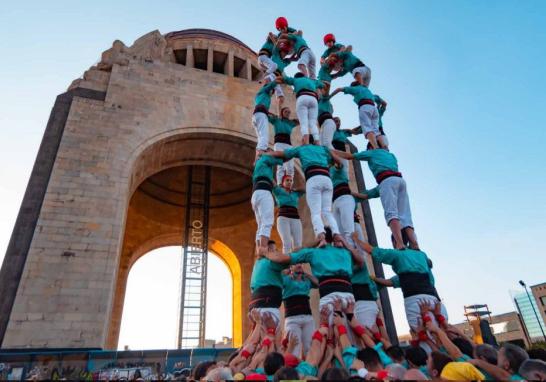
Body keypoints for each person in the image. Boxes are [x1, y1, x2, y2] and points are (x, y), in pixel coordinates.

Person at [263, 227, 363, 321]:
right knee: (351, 332)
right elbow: (361, 263)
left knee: (332, 332)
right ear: (333, 238)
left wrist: (265, 253)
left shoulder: (313, 252)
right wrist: (345, 243)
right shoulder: (345, 252)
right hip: (348, 295)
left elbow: (282, 258)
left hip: (331, 296)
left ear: (320, 237)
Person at [352, 236, 448, 333]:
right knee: (443, 333)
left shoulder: (399, 255)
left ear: (395, 242)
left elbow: (373, 251)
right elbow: (391, 282)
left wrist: (356, 239)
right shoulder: (421, 256)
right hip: (436, 302)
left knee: (423, 335)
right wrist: (375, 278)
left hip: (417, 301)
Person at [335, 146, 418, 250]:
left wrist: (332, 151)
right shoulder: (391, 155)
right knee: (405, 217)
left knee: (391, 213)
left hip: (386, 180)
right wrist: (351, 193)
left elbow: (350, 156)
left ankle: (400, 243)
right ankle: (415, 244)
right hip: (400, 181)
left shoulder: (372, 152)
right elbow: (366, 195)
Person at [262, 143, 342, 245]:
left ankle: (322, 238)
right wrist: (335, 165)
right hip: (326, 179)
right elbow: (338, 162)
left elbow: (283, 154)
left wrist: (268, 154)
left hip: (314, 178)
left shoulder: (302, 149)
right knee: (327, 212)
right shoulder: (323, 149)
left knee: (316, 213)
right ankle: (337, 236)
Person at [330, 82, 384, 150]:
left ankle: (376, 148)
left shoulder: (356, 89)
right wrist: (378, 106)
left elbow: (339, 89)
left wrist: (329, 97)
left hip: (365, 107)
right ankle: (383, 147)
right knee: (376, 130)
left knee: (367, 129)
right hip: (374, 109)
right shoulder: (368, 92)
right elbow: (383, 102)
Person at [277, 72, 324, 145]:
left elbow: (282, 78)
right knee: (312, 123)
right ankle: (317, 141)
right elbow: (323, 84)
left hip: (302, 97)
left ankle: (306, 142)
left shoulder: (295, 80)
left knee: (303, 123)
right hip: (314, 99)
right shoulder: (312, 81)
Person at [281, 264, 318, 357]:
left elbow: (318, 283)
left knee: (309, 348)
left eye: (300, 263)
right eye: (295, 264)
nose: (299, 265)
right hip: (292, 319)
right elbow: (277, 279)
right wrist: (284, 272)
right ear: (290, 267)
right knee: (294, 348)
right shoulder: (286, 280)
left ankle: (308, 370)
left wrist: (306, 274)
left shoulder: (306, 281)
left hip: (307, 318)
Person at [251, 154, 283, 254]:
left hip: (256, 194)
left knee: (260, 225)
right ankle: (263, 249)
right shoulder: (266, 158)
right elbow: (282, 158)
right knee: (267, 222)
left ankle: (258, 250)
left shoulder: (259, 164)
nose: (272, 152)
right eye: (270, 151)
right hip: (264, 192)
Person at [249, 241, 287, 326]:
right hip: (267, 306)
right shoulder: (270, 262)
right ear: (268, 250)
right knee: (271, 336)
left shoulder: (257, 264)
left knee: (259, 336)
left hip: (256, 305)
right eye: (275, 250)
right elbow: (286, 261)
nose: (276, 252)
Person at [273, 175, 304, 254]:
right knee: (287, 243)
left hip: (295, 219)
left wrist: (295, 189)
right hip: (283, 218)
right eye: (287, 180)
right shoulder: (279, 191)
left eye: (291, 180)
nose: (289, 182)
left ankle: (298, 265)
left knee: (298, 244)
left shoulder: (295, 193)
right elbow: (272, 182)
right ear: (283, 182)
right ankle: (288, 265)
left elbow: (305, 188)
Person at [268, 107, 299, 184]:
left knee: (290, 167)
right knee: (280, 165)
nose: (288, 113)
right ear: (282, 112)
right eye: (286, 111)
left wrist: (295, 120)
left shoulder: (291, 123)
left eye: (289, 112)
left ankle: (289, 185)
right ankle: (280, 184)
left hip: (288, 145)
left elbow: (302, 121)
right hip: (279, 144)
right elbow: (266, 114)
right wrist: (274, 115)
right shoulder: (277, 120)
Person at [252, 81, 277, 159]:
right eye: (272, 91)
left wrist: (270, 115)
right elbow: (270, 85)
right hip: (260, 114)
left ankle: (257, 156)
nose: (271, 94)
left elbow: (263, 108)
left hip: (256, 115)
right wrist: (276, 81)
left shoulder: (262, 97)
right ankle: (262, 151)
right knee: (264, 136)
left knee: (260, 138)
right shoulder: (264, 92)